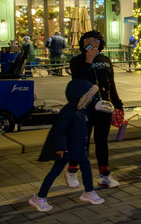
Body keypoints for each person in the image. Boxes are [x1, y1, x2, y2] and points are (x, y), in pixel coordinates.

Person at [29, 80, 106, 212]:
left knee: (86, 167)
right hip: (67, 148)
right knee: (55, 171)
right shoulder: (69, 111)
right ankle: (39, 197)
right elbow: (60, 131)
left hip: (78, 146)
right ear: (78, 96)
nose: (90, 99)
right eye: (87, 96)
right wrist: (60, 147)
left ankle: (88, 191)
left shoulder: (80, 109)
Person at [65, 30, 123, 188]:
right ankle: (72, 170)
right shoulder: (76, 61)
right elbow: (78, 80)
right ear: (82, 43)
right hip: (84, 106)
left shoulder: (105, 60)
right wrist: (88, 60)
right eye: (87, 39)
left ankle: (104, 175)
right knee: (82, 140)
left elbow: (111, 83)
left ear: (100, 43)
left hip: (103, 106)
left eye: (95, 40)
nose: (91, 42)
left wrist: (118, 105)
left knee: (101, 141)